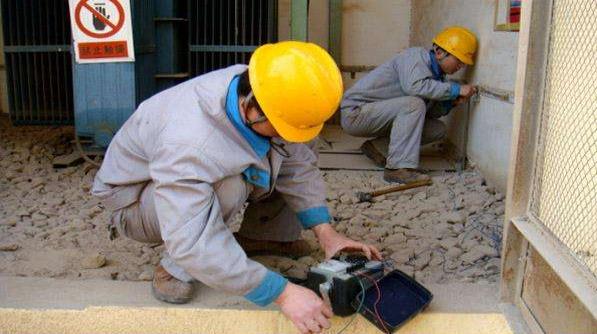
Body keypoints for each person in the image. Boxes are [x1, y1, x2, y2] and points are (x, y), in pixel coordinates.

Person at [92, 41, 381, 334]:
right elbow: (190, 239)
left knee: (292, 145)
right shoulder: (191, 143)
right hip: (135, 203)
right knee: (228, 185)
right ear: (251, 108)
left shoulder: (267, 88)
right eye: (278, 127)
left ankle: (264, 237)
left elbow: (298, 164)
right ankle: (175, 267)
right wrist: (282, 293)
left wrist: (327, 233)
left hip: (180, 176)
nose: (285, 135)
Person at [340, 26, 478, 183]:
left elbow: (427, 113)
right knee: (414, 104)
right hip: (356, 113)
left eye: (464, 64)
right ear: (439, 53)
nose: (460, 66)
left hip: (378, 114)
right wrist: (456, 89)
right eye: (458, 60)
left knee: (438, 129)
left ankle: (377, 148)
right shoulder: (415, 57)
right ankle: (397, 169)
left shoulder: (437, 79)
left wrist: (451, 102)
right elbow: (414, 87)